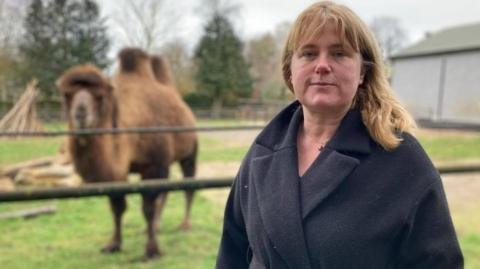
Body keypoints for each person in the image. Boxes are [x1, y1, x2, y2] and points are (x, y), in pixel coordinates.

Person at [215, 1, 463, 268]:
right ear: (291, 69)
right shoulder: (262, 152)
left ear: (362, 72)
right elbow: (233, 251)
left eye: (339, 54)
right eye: (309, 54)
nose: (322, 65)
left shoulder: (402, 160)